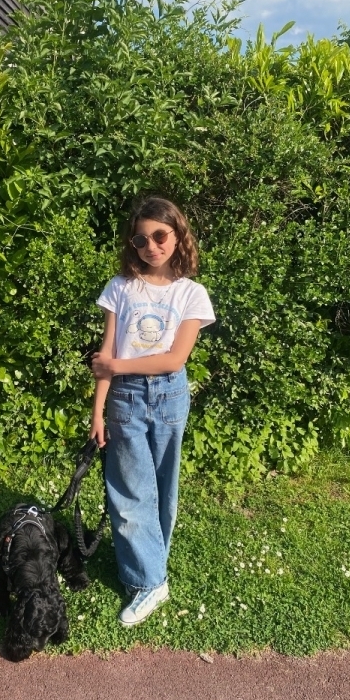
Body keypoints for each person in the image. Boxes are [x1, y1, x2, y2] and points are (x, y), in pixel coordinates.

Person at [90, 196, 215, 626]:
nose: (151, 246)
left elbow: (174, 360)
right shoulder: (120, 287)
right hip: (124, 398)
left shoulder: (191, 294)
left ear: (178, 236)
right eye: (140, 240)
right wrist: (97, 411)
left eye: (160, 236)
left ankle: (150, 570)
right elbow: (106, 353)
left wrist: (115, 367)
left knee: (162, 488)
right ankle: (149, 580)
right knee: (129, 492)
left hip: (168, 396)